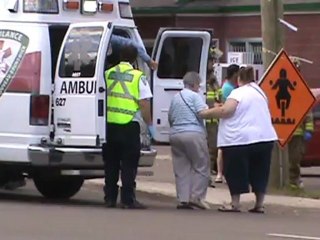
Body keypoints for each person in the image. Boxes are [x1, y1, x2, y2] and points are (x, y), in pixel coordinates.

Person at [198, 66, 278, 213]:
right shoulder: (260, 92)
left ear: (239, 79)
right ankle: (259, 204)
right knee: (260, 171)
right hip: (265, 138)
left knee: (235, 171)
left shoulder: (238, 92)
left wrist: (204, 113)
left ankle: (235, 203)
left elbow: (226, 111)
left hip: (239, 139)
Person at [103, 44, 153, 209]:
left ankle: (109, 198)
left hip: (109, 126)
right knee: (129, 165)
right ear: (134, 59)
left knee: (111, 164)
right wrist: (149, 123)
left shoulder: (107, 74)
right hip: (129, 125)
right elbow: (144, 103)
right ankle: (127, 199)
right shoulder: (138, 77)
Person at [168, 72, 211, 210]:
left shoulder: (175, 97)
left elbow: (170, 117)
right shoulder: (194, 96)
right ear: (194, 84)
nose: (199, 88)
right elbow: (202, 113)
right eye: (198, 84)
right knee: (201, 166)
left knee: (181, 168)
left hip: (175, 134)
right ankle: (196, 197)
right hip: (193, 133)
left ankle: (183, 199)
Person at [288, 58, 314, 189]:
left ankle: (294, 181)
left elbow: (308, 111)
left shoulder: (301, 87)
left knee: (294, 160)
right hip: (281, 131)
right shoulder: (285, 83)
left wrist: (308, 130)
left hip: (297, 132)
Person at [215, 64, 240, 183]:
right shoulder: (229, 88)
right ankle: (221, 173)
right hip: (228, 119)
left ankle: (221, 174)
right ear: (234, 74)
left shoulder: (228, 86)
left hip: (227, 119)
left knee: (223, 147)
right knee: (224, 148)